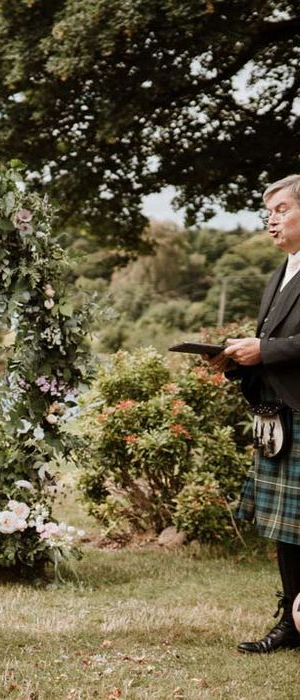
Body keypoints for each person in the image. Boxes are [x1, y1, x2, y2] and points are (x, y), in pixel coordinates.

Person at [211, 174, 300, 653]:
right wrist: (234, 361)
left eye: (281, 209)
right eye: (268, 212)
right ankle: (292, 621)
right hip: (278, 419)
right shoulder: (281, 273)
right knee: (290, 534)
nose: (271, 220)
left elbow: (281, 348)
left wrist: (263, 349)